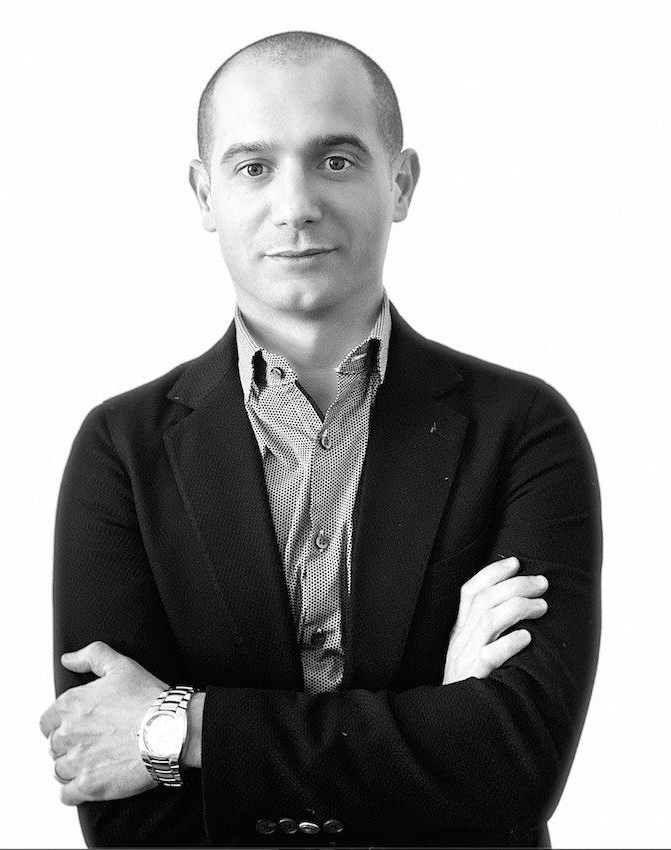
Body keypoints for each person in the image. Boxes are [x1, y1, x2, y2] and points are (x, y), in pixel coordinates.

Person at [40, 31, 601, 849]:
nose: (295, 204)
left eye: (336, 160)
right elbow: (122, 806)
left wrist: (184, 728)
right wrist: (438, 721)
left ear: (400, 182)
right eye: (253, 167)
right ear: (204, 194)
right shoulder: (121, 451)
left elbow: (517, 760)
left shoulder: (522, 430)